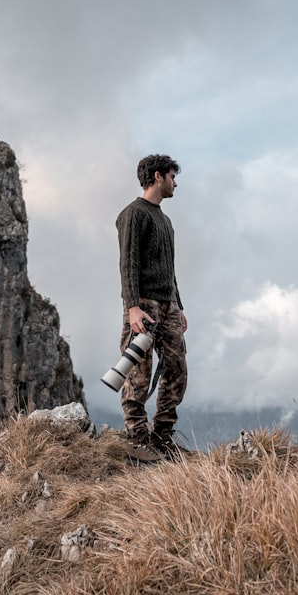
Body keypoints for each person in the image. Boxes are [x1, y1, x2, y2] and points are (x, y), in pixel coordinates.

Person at [114, 154, 189, 462]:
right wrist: (132, 307)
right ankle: (136, 439)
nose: (176, 182)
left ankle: (162, 437)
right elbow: (127, 263)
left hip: (168, 304)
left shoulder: (165, 220)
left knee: (176, 370)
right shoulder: (133, 214)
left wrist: (179, 305)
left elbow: (169, 268)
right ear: (158, 176)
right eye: (173, 176)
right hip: (143, 304)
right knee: (138, 374)